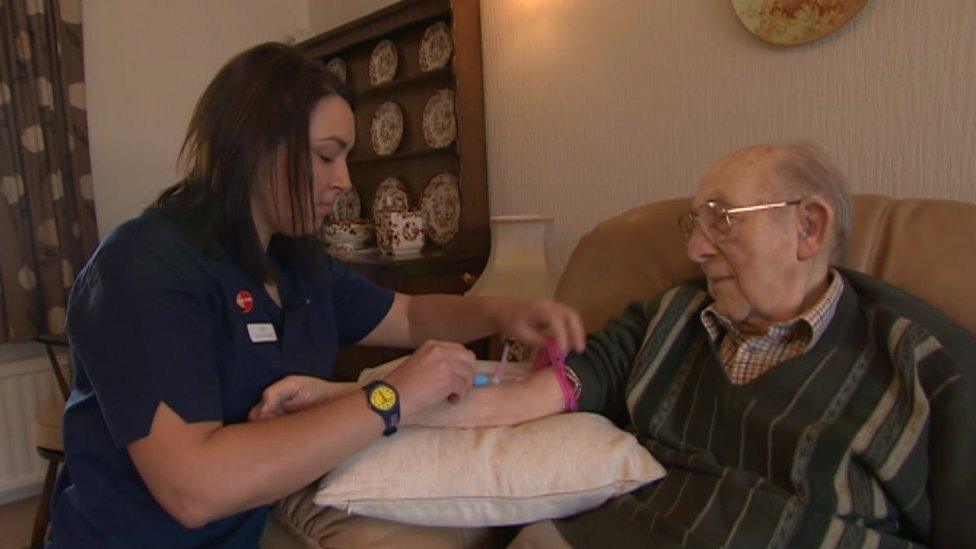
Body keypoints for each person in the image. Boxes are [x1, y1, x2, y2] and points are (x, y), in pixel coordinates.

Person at [259, 143, 976, 547]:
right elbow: (508, 402)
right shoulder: (664, 320)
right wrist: (348, 399)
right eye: (694, 221)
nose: (697, 245)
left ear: (810, 228)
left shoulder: (924, 362)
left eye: (722, 220)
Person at [48, 43, 585, 548]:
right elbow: (195, 489)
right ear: (255, 150)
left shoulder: (296, 261)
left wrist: (504, 311)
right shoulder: (145, 265)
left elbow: (413, 315)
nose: (344, 181)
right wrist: (391, 396)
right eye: (327, 156)